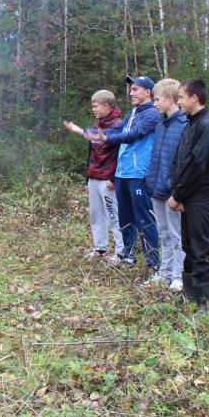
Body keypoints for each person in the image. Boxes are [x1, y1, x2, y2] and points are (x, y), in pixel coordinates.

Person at [90, 75, 162, 273]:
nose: (131, 93)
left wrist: (106, 138)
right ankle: (128, 255)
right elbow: (117, 130)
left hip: (139, 174)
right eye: (131, 89)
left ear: (148, 92)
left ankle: (153, 264)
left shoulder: (151, 115)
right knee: (125, 217)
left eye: (135, 89)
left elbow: (132, 135)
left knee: (144, 219)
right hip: (123, 172)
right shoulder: (132, 113)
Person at [168, 78, 209, 309]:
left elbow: (198, 165)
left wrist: (179, 195)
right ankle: (189, 293)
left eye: (181, 97)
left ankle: (204, 299)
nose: (178, 101)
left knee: (200, 246)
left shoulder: (208, 124)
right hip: (187, 193)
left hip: (199, 193)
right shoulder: (191, 123)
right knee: (188, 245)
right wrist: (177, 192)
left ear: (194, 98)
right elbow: (180, 160)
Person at [63, 90, 124, 259]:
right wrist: (87, 179)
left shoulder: (118, 126)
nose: (93, 109)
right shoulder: (98, 125)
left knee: (114, 216)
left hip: (108, 181)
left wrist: (113, 179)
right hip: (94, 178)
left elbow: (121, 154)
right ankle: (100, 248)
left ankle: (121, 251)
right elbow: (91, 154)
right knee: (96, 215)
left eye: (95, 106)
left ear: (106, 106)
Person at [143, 79, 188, 292]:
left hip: (173, 192)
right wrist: (151, 180)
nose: (155, 104)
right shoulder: (161, 125)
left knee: (177, 233)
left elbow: (184, 161)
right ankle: (165, 272)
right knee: (164, 233)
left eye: (158, 99)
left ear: (171, 99)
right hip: (157, 188)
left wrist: (176, 188)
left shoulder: (185, 124)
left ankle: (179, 276)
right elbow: (157, 157)